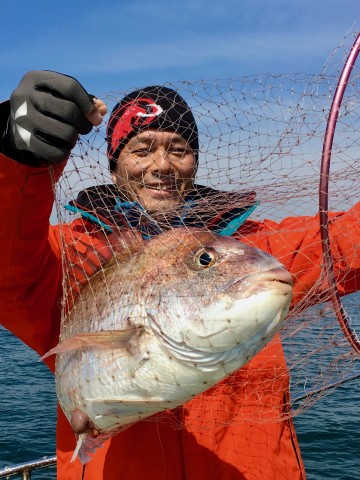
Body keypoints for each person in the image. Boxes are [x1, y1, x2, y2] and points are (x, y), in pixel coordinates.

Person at [0, 71, 359, 480]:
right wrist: (16, 157)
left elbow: (347, 242)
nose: (162, 165)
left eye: (179, 148)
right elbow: (7, 266)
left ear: (195, 162)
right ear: (115, 164)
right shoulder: (70, 256)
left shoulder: (246, 256)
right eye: (142, 148)